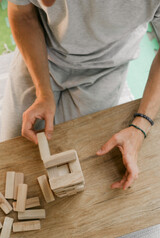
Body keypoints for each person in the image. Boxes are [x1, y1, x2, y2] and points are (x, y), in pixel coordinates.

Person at [2, 0, 160, 190]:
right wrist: (43, 91)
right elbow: (23, 14)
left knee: (77, 163)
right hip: (42, 47)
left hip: (106, 67)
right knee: (13, 157)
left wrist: (140, 127)